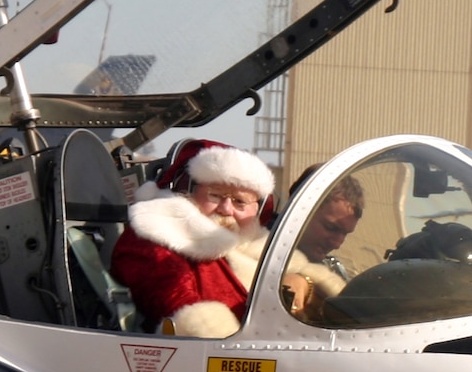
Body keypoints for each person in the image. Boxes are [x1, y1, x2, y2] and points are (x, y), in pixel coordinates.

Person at [109, 139, 276, 338]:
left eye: (240, 202)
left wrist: (305, 282)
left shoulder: (263, 248)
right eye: (215, 195)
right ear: (188, 191)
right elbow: (182, 309)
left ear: (257, 208)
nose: (226, 209)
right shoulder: (154, 237)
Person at [280, 175, 365, 320]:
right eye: (331, 228)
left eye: (345, 234)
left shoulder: (333, 268)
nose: (337, 244)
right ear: (300, 213)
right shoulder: (257, 258)